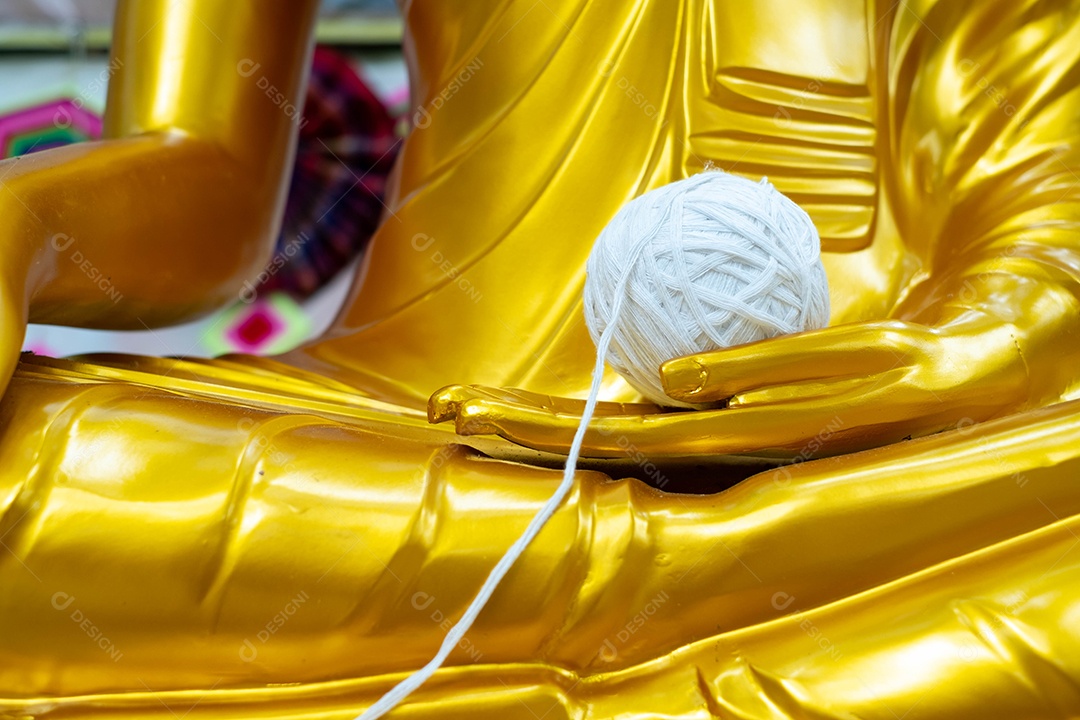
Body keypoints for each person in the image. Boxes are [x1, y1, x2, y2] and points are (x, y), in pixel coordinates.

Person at [1, 1, 1079, 717]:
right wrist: (24, 219)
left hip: (882, 420)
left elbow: (1044, 176)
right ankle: (747, 578)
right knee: (29, 467)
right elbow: (205, 176)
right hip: (415, 415)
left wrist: (986, 343)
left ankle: (716, 588)